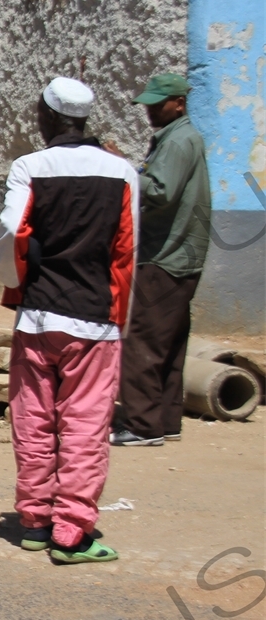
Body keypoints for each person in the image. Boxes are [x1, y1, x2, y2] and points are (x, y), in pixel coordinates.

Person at [0, 78, 139, 564]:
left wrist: (13, 279)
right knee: (84, 428)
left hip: (37, 318)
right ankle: (71, 533)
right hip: (94, 323)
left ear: (48, 116)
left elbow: (14, 230)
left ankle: (34, 521)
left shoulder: (29, 167)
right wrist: (121, 319)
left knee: (33, 421)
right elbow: (126, 250)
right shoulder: (121, 172)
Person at [111, 73, 212, 446]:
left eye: (157, 104)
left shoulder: (179, 141)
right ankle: (166, 419)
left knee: (143, 339)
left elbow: (159, 192)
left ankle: (141, 425)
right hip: (180, 254)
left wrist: (121, 167)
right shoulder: (181, 138)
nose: (150, 111)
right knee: (170, 343)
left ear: (179, 103)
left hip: (163, 255)